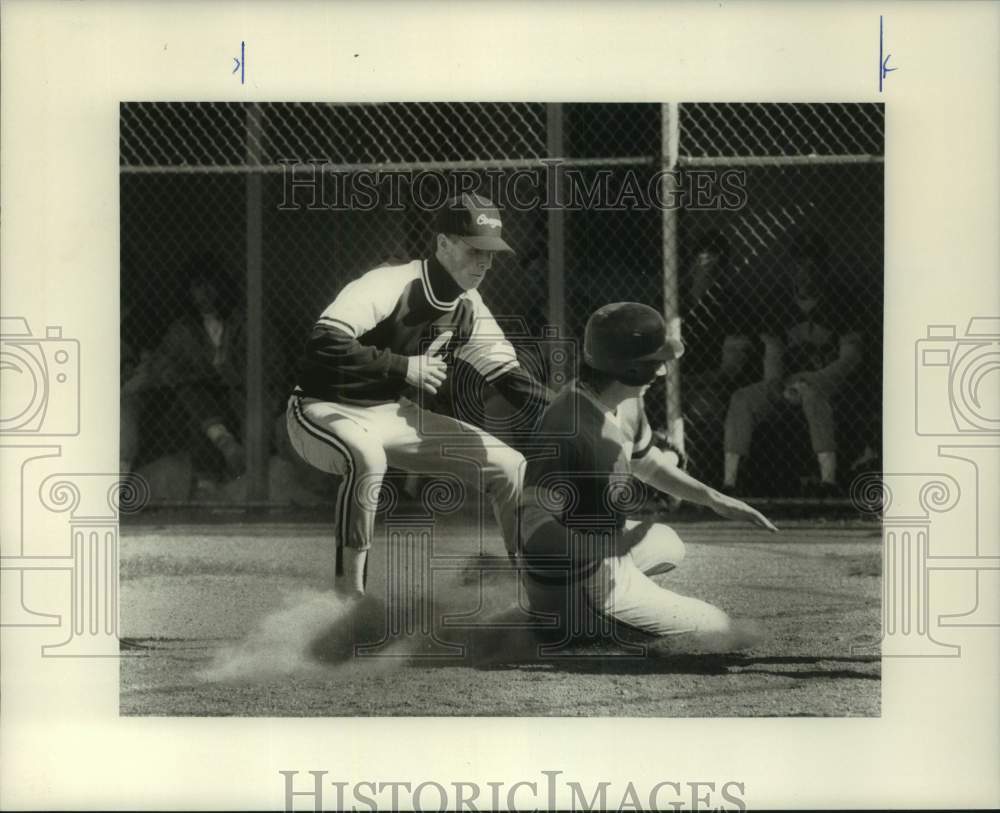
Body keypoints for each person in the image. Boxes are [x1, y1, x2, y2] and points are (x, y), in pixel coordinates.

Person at [285, 193, 551, 596]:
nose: (485, 262)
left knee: (510, 466)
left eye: (492, 252)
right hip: (320, 409)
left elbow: (511, 381)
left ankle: (535, 589)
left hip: (392, 415)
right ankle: (347, 597)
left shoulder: (469, 307)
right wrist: (403, 367)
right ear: (443, 243)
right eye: (475, 248)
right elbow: (322, 344)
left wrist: (587, 418)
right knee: (367, 457)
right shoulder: (390, 282)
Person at [519, 302, 777, 649]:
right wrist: (607, 549)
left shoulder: (625, 402)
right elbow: (534, 534)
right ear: (624, 367)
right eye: (653, 363)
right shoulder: (568, 426)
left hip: (603, 547)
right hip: (582, 579)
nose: (662, 373)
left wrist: (716, 499)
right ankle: (579, 627)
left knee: (670, 543)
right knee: (719, 629)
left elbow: (648, 463)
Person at [122, 254, 284, 488]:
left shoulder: (245, 320)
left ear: (222, 286)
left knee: (203, 415)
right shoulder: (184, 328)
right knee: (192, 394)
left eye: (210, 285)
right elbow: (162, 366)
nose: (204, 293)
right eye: (197, 287)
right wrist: (199, 375)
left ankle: (215, 465)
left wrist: (225, 375)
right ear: (188, 292)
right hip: (201, 401)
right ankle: (220, 453)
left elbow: (271, 363)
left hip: (240, 398)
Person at [722, 232, 864, 497]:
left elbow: (850, 359)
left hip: (829, 386)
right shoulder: (778, 303)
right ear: (790, 269)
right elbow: (773, 351)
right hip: (787, 386)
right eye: (799, 266)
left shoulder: (843, 303)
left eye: (813, 266)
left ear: (824, 269)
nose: (806, 273)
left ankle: (828, 482)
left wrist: (813, 380)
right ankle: (729, 484)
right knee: (742, 398)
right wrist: (776, 384)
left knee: (812, 394)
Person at [679, 231, 758, 484]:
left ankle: (698, 477)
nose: (708, 274)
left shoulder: (732, 307)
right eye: (701, 264)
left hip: (709, 388)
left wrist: (686, 383)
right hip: (671, 383)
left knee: (703, 407)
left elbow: (730, 371)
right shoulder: (671, 301)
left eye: (716, 267)